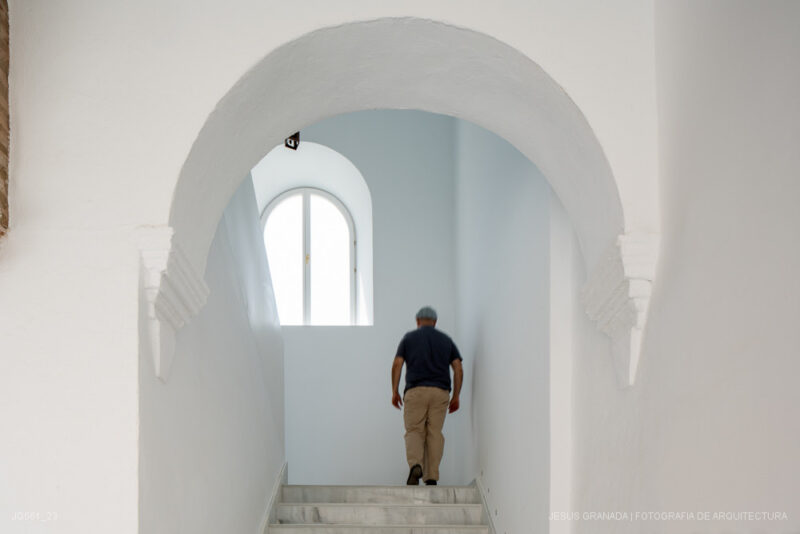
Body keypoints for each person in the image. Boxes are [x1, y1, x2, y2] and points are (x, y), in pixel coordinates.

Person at [391, 306, 463, 486]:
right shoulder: (446, 340)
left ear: (417, 321)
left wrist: (395, 391)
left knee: (415, 430)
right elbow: (458, 368)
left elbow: (397, 364)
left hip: (415, 391)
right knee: (434, 433)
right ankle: (431, 476)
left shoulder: (409, 338)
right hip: (440, 392)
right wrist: (456, 396)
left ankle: (416, 465)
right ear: (435, 322)